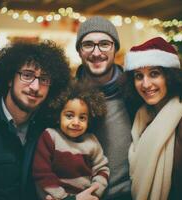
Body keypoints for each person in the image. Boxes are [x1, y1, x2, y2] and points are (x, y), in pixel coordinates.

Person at [0, 41, 71, 200]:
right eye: (27, 75)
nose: (35, 87)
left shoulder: (49, 126)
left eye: (44, 79)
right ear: (10, 78)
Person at [122, 37, 182, 200]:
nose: (145, 84)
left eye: (154, 74)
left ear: (171, 76)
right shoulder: (142, 117)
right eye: (139, 76)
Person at [74, 16, 132, 200]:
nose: (96, 52)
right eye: (88, 44)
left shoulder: (135, 94)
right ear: (79, 51)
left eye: (105, 44)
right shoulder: (66, 96)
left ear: (115, 49)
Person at [33, 81, 110, 200]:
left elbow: (102, 169)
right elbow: (42, 173)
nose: (76, 122)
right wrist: (64, 197)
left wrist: (95, 192)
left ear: (89, 120)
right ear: (58, 116)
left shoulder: (92, 141)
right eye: (69, 115)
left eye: (82, 117)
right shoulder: (50, 136)